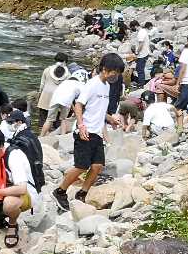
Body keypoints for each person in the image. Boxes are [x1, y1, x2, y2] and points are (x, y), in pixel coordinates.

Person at [52, 53, 125, 211]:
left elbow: (99, 109)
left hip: (96, 133)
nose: (117, 76)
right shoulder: (92, 84)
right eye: (115, 72)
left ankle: (82, 193)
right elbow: (78, 104)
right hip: (84, 131)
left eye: (118, 73)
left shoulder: (107, 86)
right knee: (82, 166)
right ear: (105, 69)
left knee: (97, 166)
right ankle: (60, 191)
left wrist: (110, 119)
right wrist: (81, 125)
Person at [39, 67, 81, 137]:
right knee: (63, 119)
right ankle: (63, 136)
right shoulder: (78, 85)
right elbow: (76, 100)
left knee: (49, 120)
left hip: (54, 99)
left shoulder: (64, 83)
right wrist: (75, 112)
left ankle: (41, 136)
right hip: (66, 101)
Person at [36, 54, 70, 123]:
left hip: (45, 97)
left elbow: (42, 86)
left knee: (42, 120)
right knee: (56, 121)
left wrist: (39, 96)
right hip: (59, 99)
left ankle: (41, 129)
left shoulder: (47, 70)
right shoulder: (68, 74)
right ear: (65, 61)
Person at [133, 22, 153, 86]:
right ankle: (141, 82)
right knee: (139, 68)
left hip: (142, 54)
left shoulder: (141, 33)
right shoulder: (143, 31)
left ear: (135, 26)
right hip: (144, 53)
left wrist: (137, 52)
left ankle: (141, 84)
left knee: (140, 70)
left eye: (132, 27)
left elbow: (141, 44)